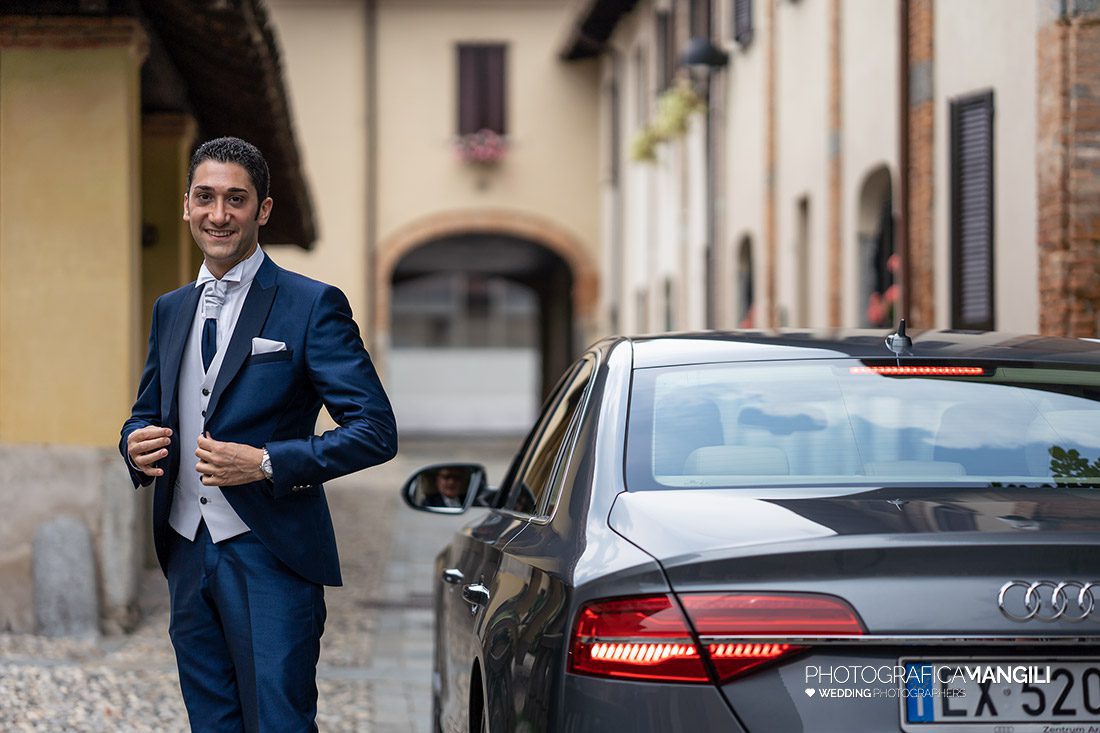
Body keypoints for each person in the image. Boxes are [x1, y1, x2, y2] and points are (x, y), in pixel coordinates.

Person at [120, 137, 397, 732]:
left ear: (262, 210)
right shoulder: (171, 309)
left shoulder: (311, 304)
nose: (219, 214)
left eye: (235, 200)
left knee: (279, 722)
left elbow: (375, 430)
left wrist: (269, 462)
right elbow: (147, 410)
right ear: (186, 206)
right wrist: (133, 441)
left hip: (270, 551)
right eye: (206, 198)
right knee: (211, 723)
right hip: (187, 548)